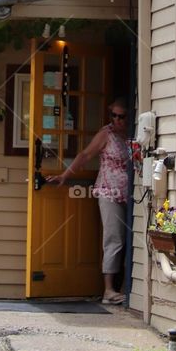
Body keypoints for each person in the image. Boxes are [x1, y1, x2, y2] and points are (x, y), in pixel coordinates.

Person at [49, 98, 132, 305]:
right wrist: (65, 175)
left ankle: (124, 287)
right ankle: (108, 290)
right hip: (108, 191)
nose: (116, 120)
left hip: (131, 194)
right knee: (114, 238)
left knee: (131, 239)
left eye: (121, 116)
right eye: (113, 115)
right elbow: (85, 155)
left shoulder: (132, 134)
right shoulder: (107, 134)